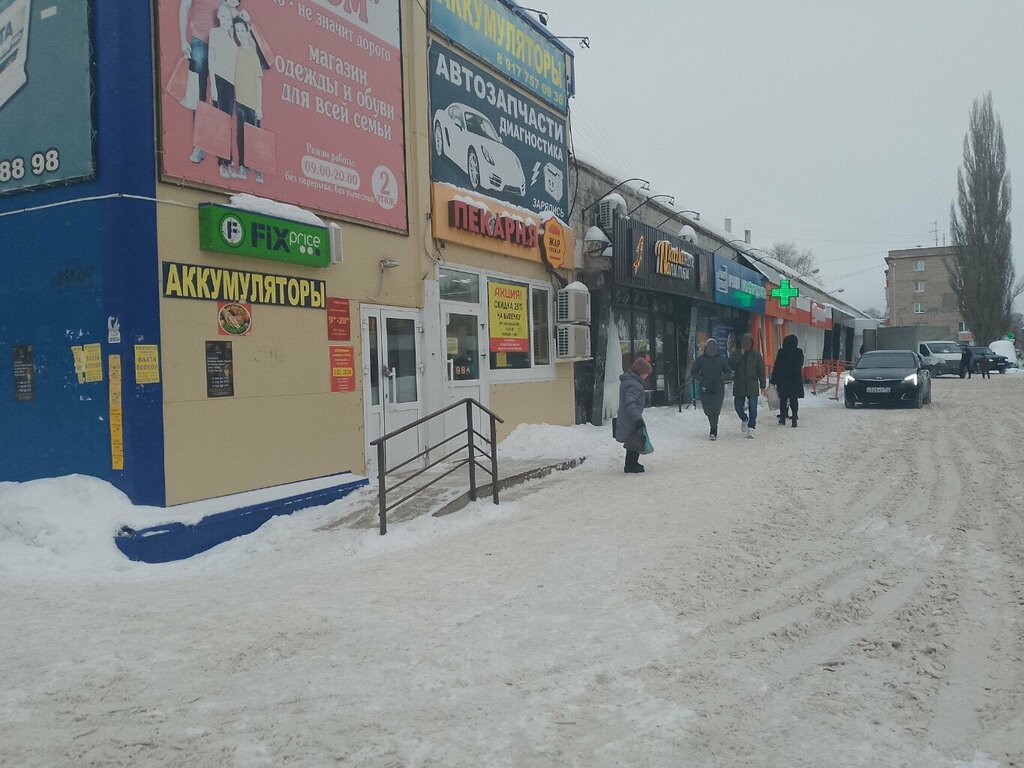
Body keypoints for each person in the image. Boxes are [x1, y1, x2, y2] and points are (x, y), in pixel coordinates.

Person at [179, 0, 241, 164]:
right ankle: (199, 147)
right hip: (199, 41)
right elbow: (184, 6)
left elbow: (231, 13)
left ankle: (219, 149)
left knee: (219, 96)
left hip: (221, 44)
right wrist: (182, 40)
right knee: (198, 96)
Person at [232, 14, 269, 183]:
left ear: (247, 31)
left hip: (253, 102)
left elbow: (258, 82)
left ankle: (257, 167)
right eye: (237, 30)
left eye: (242, 30)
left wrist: (259, 106)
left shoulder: (253, 55)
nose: (240, 33)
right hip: (239, 99)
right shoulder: (235, 51)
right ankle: (242, 165)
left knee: (254, 136)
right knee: (241, 133)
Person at [207, 3, 238, 178]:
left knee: (227, 122)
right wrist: (213, 85)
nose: (226, 21)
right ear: (219, 17)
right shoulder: (215, 33)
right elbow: (212, 60)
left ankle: (228, 159)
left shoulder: (231, 39)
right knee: (221, 123)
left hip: (230, 84)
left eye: (229, 18)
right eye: (224, 17)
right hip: (219, 80)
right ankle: (223, 162)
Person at [615, 358, 651, 473]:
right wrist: (637, 419)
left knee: (632, 441)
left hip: (626, 417)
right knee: (635, 441)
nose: (647, 375)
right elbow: (630, 403)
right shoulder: (635, 385)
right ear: (641, 372)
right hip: (631, 418)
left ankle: (632, 464)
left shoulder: (628, 381)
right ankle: (631, 465)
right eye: (647, 373)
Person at [690, 338, 731, 440]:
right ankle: (712, 425)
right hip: (705, 388)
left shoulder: (721, 359)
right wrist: (701, 379)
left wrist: (721, 378)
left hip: (718, 388)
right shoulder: (701, 359)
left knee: (716, 409)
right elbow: (694, 371)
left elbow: (728, 372)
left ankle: (713, 429)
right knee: (708, 410)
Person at [729, 333, 767, 438]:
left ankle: (751, 428)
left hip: (752, 385)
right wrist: (739, 354)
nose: (746, 344)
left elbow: (761, 370)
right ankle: (744, 419)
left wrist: (763, 385)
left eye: (748, 342)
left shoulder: (756, 355)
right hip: (739, 385)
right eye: (744, 342)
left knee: (753, 408)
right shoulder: (736, 353)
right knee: (738, 408)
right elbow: (730, 365)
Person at [770, 334, 805, 427]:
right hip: (795, 379)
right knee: (794, 399)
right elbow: (800, 364)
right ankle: (794, 418)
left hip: (783, 379)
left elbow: (777, 366)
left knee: (783, 399)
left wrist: (773, 380)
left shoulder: (782, 352)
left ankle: (782, 418)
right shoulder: (799, 352)